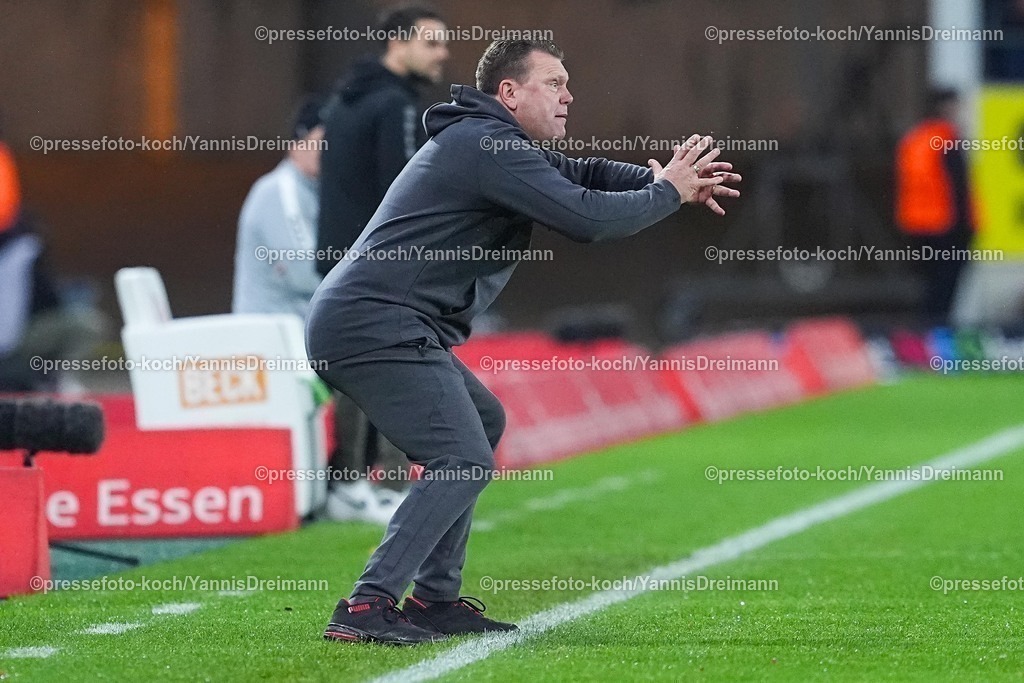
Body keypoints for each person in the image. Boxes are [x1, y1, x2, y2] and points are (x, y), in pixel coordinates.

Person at [306, 39, 741, 645]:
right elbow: (587, 218)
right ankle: (366, 605)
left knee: (481, 424)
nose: (569, 96)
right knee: (462, 457)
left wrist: (658, 179)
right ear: (508, 93)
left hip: (382, 320)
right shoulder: (486, 145)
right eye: (554, 83)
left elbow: (583, 175)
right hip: (372, 321)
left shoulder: (493, 142)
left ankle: (434, 600)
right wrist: (666, 192)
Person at [316, 3, 450, 523]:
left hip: (338, 259)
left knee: (358, 371)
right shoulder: (395, 104)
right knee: (399, 368)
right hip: (380, 264)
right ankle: (390, 486)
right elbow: (408, 188)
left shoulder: (345, 98)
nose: (442, 54)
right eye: (431, 42)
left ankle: (351, 484)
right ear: (399, 42)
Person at [895, 88, 974, 325]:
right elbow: (958, 186)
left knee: (928, 285)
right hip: (946, 225)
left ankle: (925, 329)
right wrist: (966, 227)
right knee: (945, 287)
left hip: (917, 225)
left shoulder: (915, 138)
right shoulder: (946, 138)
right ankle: (937, 330)